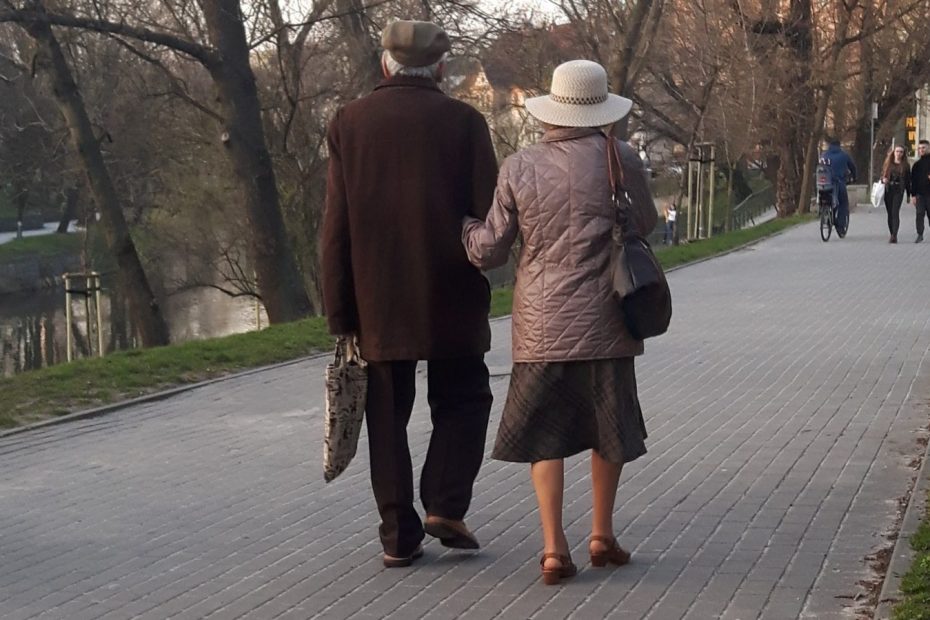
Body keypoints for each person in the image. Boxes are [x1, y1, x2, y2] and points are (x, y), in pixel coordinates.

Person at [462, 60, 657, 585]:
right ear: (602, 110)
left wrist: (463, 227)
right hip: (609, 319)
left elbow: (489, 249)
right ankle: (602, 535)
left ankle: (553, 549)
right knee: (608, 429)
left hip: (541, 326)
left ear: (550, 110)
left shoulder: (519, 166)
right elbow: (644, 223)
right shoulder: (621, 158)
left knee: (545, 435)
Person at [321, 20, 498, 568]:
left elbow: (336, 226)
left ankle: (398, 535)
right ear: (440, 68)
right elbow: (488, 213)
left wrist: (339, 310)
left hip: (376, 294)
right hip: (451, 287)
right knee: (465, 397)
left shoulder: (348, 122)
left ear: (384, 64)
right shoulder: (465, 122)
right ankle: (445, 502)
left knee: (386, 414)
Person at [820, 138, 857, 234]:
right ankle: (840, 225)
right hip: (838, 183)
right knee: (843, 203)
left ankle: (824, 213)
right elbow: (852, 167)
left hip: (823, 185)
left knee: (826, 199)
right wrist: (854, 177)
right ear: (839, 145)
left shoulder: (823, 155)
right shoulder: (844, 155)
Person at [880, 145, 911, 243]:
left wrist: (909, 195)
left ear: (903, 154)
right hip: (889, 189)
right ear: (894, 152)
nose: (899, 154)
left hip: (899, 190)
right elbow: (882, 175)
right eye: (897, 151)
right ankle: (892, 232)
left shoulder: (905, 166)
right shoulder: (888, 163)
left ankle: (894, 235)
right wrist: (883, 180)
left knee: (895, 212)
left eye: (901, 152)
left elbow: (908, 181)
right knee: (890, 213)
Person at [911, 139, 930, 243]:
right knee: (919, 214)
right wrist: (913, 195)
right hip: (920, 195)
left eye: (923, 148)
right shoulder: (917, 165)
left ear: (928, 148)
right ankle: (920, 234)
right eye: (919, 148)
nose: (921, 150)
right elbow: (913, 181)